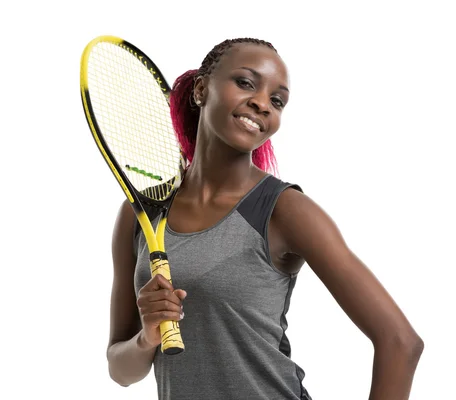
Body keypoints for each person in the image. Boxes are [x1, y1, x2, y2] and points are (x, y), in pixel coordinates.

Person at [105, 37, 424, 400]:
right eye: (245, 82)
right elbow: (121, 372)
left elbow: (400, 342)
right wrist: (148, 336)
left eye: (278, 101)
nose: (262, 103)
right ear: (200, 89)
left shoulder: (285, 210)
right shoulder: (139, 215)